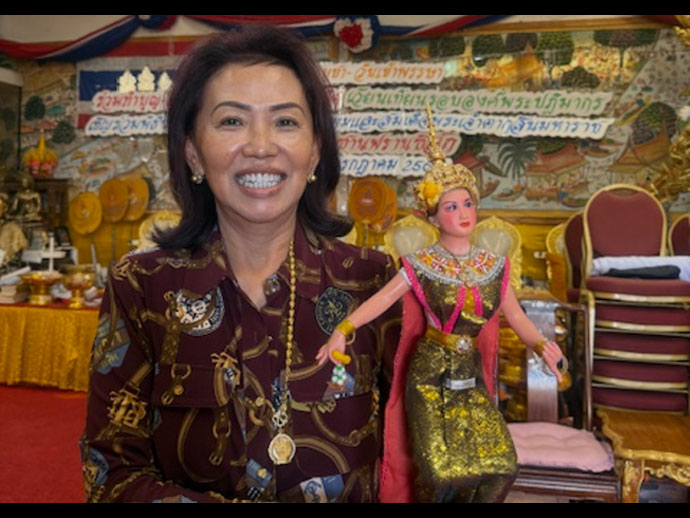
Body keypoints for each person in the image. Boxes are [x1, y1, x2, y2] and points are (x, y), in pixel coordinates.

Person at [80, 26, 400, 503]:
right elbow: (110, 473)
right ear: (193, 152)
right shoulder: (143, 287)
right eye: (231, 121)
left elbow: (417, 455)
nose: (260, 145)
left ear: (315, 150)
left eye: (285, 121)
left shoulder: (372, 282)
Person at [317, 106, 566, 503]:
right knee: (439, 473)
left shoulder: (493, 266)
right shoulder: (422, 264)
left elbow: (516, 316)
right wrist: (342, 330)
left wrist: (542, 346)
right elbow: (381, 300)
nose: (463, 213)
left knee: (501, 468)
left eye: (467, 204)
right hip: (430, 374)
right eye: (451, 207)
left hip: (470, 376)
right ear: (432, 217)